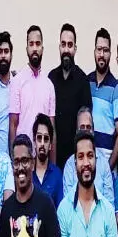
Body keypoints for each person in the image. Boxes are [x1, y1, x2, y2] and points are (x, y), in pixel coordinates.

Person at [49, 24, 93, 169]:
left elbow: (85, 122)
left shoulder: (83, 81)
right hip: (53, 157)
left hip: (76, 159)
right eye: (63, 45)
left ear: (75, 48)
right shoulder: (51, 79)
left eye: (70, 45)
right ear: (59, 47)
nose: (66, 50)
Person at [9, 26, 55, 160]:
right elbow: (13, 125)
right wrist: (14, 159)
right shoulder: (17, 82)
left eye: (38, 44)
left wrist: (53, 165)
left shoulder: (49, 85)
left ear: (42, 48)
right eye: (31, 44)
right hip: (22, 158)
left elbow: (52, 129)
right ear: (27, 49)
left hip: (43, 158)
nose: (35, 48)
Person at [90, 28, 118, 171]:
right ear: (94, 51)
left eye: (105, 50)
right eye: (99, 49)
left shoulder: (116, 89)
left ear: (110, 54)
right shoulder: (86, 83)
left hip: (107, 166)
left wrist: (109, 167)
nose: (101, 54)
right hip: (87, 163)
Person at [62, 107, 114, 204]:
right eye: (82, 127)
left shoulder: (103, 163)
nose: (85, 131)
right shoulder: (69, 165)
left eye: (88, 127)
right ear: (76, 131)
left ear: (93, 131)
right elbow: (68, 203)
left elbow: (109, 203)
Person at [32, 113, 63, 207]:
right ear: (34, 142)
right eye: (39, 138)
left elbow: (60, 209)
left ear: (50, 145)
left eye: (46, 139)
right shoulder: (27, 171)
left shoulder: (57, 174)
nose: (42, 143)